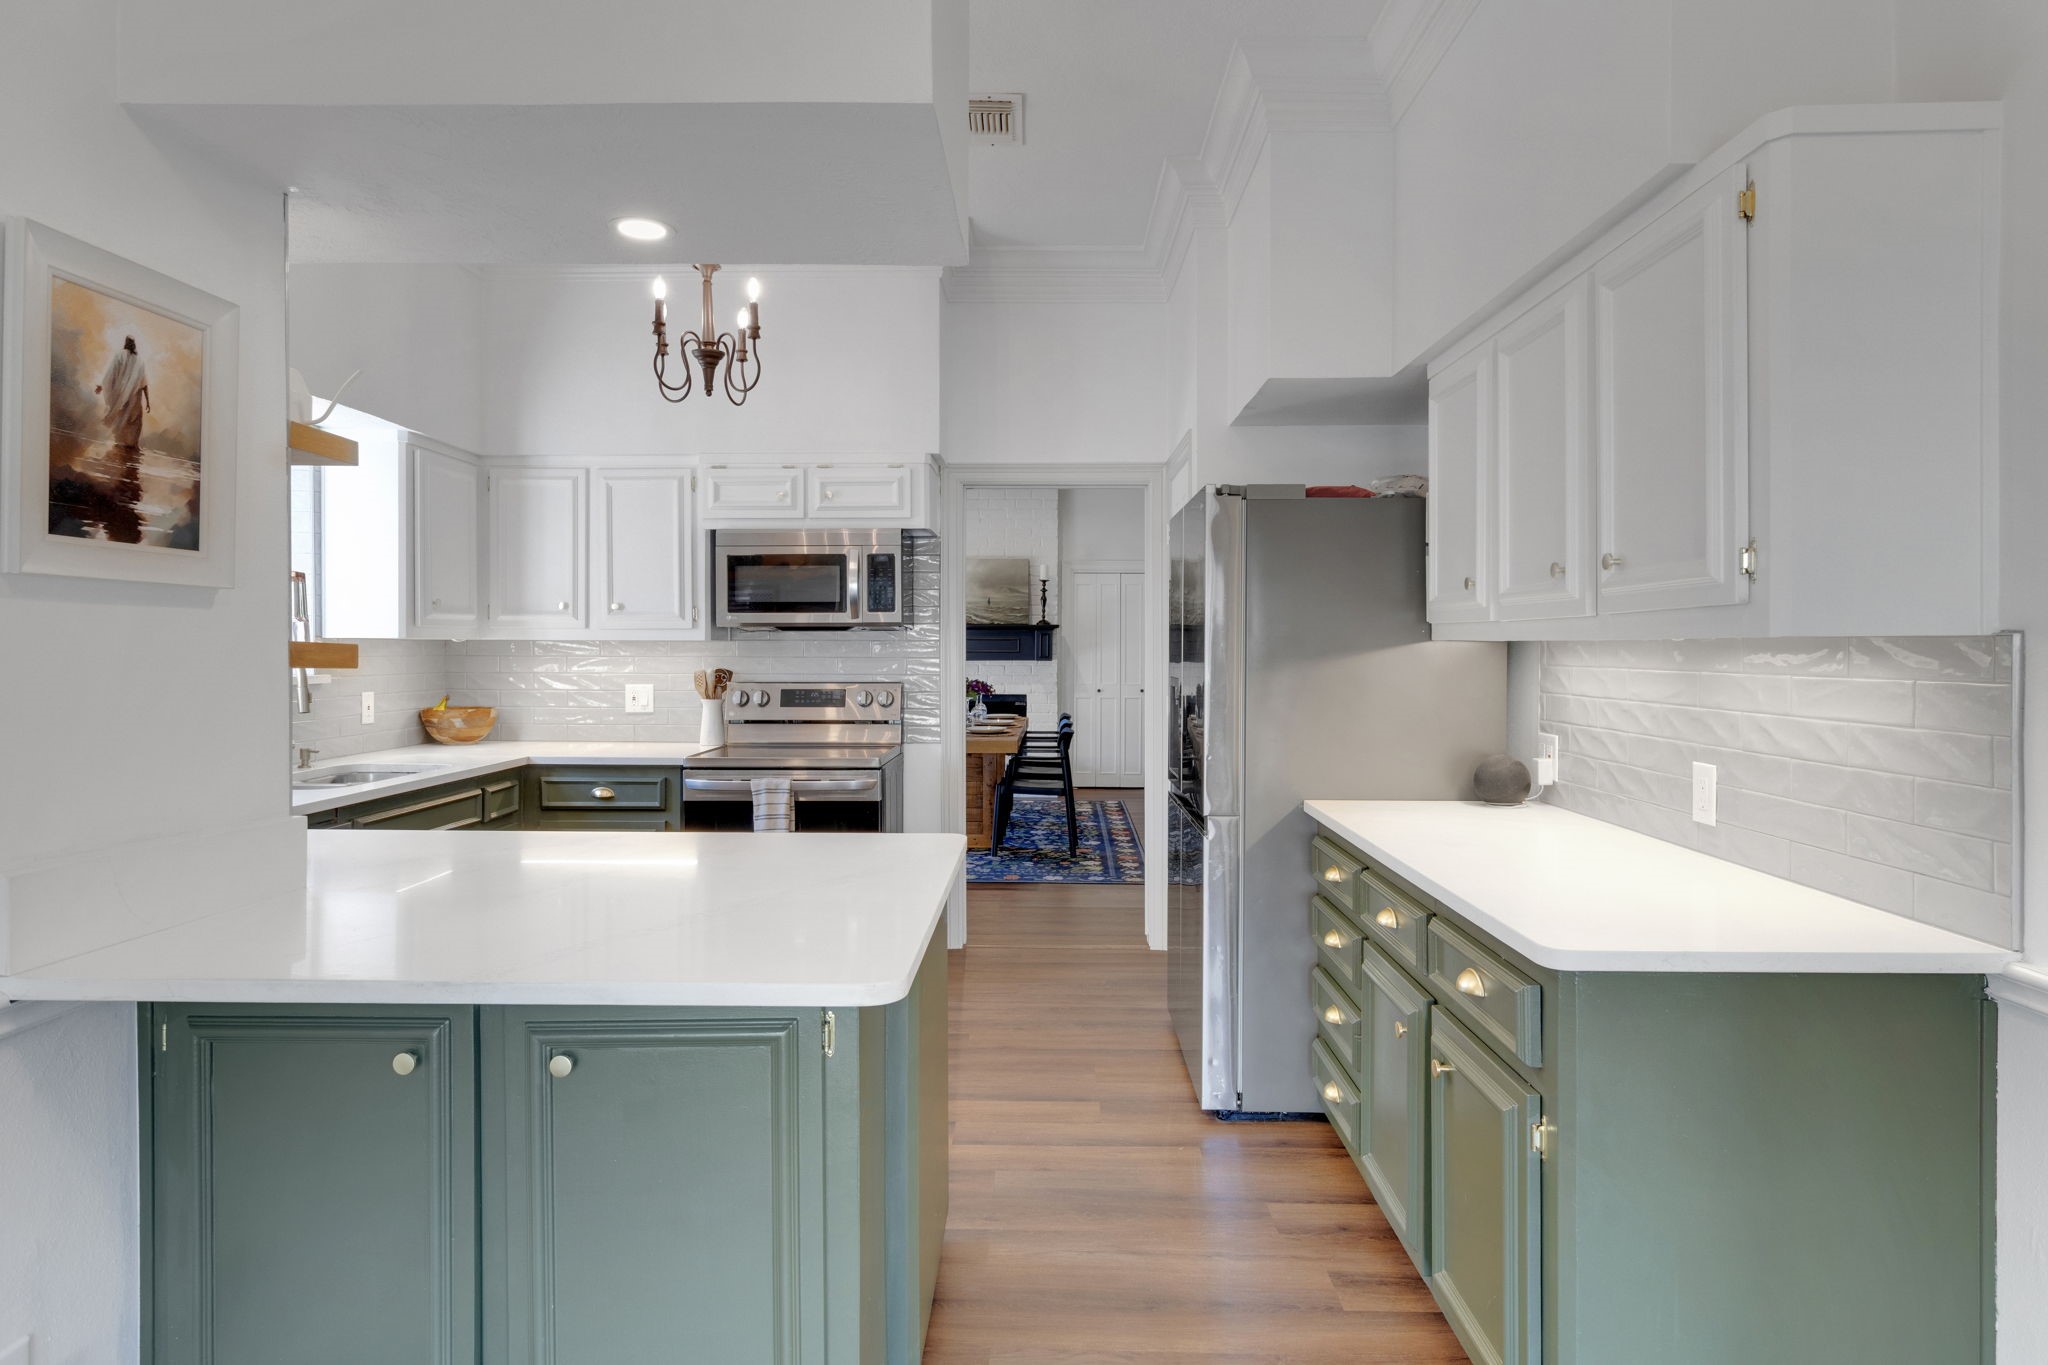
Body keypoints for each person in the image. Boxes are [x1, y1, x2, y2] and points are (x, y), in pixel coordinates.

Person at [94, 334, 150, 449]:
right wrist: (148, 402)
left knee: (123, 423)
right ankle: (127, 454)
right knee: (131, 424)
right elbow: (144, 384)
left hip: (123, 398)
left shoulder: (120, 356)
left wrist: (101, 386)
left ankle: (123, 452)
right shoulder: (139, 361)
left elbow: (110, 375)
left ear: (125, 342)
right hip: (134, 399)